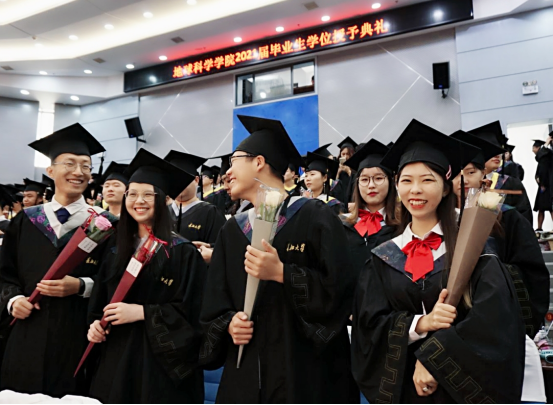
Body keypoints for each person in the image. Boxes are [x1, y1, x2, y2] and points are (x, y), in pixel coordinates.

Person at [352, 120, 527, 404]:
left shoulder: (475, 251)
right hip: (404, 390)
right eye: (406, 181)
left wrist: (435, 358)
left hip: (457, 390)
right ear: (397, 186)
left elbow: (495, 325)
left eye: (427, 180)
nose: (415, 190)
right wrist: (421, 323)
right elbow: (368, 327)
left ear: (446, 188)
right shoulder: (383, 256)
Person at [200, 115, 358, 404]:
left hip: (304, 374)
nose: (227, 172)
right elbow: (214, 303)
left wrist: (283, 273)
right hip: (247, 376)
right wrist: (230, 324)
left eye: (234, 161)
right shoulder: (232, 231)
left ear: (259, 162)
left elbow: (342, 290)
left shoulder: (314, 216)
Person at [0, 123, 118, 397]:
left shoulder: (106, 224)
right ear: (50, 171)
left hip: (77, 334)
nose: (79, 172)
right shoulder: (26, 220)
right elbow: (4, 273)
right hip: (27, 332)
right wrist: (13, 301)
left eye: (86, 166)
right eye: (70, 164)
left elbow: (114, 278)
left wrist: (81, 286)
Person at [86, 149, 206, 404]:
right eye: (132, 194)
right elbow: (100, 301)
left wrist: (143, 312)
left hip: (157, 368)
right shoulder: (115, 248)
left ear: (164, 200)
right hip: (116, 357)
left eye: (147, 194)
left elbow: (195, 315)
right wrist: (96, 325)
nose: (138, 201)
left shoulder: (182, 252)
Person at [342, 139, 398, 276]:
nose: (371, 185)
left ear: (390, 182)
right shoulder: (343, 225)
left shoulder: (403, 225)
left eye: (378, 178)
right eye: (364, 179)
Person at [469, 121, 533, 224]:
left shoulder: (511, 183)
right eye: (490, 151)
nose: (497, 155)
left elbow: (524, 218)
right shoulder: (465, 185)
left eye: (498, 151)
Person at [164, 151, 226, 249]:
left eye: (183, 178)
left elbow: (222, 247)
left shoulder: (211, 213)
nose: (177, 183)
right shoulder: (162, 212)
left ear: (196, 180)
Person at [533, 140, 553, 231]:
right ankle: (539, 227)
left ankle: (539, 227)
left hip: (546, 186)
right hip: (543, 186)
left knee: (550, 208)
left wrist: (543, 183)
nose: (533, 150)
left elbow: (544, 172)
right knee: (542, 208)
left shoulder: (545, 156)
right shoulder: (543, 158)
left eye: (534, 148)